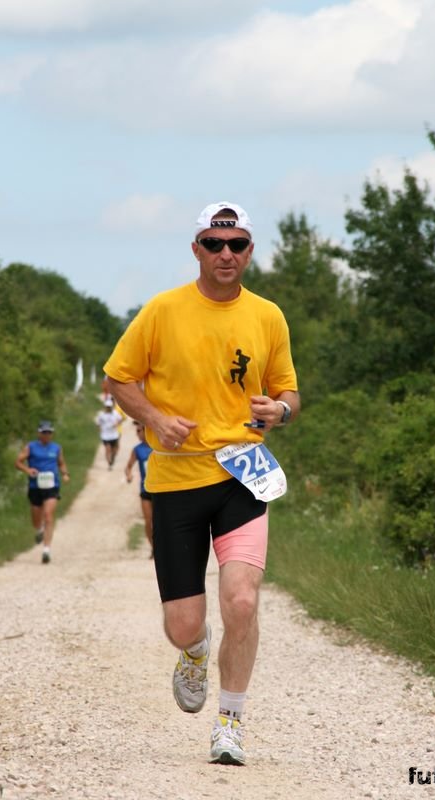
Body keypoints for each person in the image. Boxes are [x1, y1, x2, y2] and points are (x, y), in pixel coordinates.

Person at [103, 201, 299, 766]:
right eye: (214, 244)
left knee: (241, 600)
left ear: (250, 251)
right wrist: (157, 420)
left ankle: (230, 725)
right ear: (196, 249)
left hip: (243, 474)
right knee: (184, 622)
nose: (226, 254)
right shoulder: (162, 311)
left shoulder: (268, 316)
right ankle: (193, 650)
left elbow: (289, 393)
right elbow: (119, 377)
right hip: (175, 480)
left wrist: (280, 412)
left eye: (236, 243)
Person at [14, 420, 70, 564]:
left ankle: (46, 550)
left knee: (48, 515)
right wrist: (28, 470)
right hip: (35, 486)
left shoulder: (56, 448)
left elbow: (61, 462)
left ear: (52, 434)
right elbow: (18, 462)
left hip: (52, 485)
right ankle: (39, 529)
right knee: (36, 517)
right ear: (39, 433)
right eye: (44, 432)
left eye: (49, 432)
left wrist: (64, 473)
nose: (47, 435)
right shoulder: (31, 447)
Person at [125, 421, 154, 558]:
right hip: (145, 489)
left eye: (140, 430)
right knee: (148, 520)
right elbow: (129, 465)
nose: (138, 434)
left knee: (160, 520)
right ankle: (153, 547)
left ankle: (164, 546)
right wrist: (129, 474)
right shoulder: (137, 449)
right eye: (136, 431)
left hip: (160, 490)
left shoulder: (157, 447)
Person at [95, 397, 123, 469]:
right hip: (105, 435)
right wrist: (100, 429)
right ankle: (109, 463)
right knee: (107, 449)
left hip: (114, 435)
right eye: (107, 407)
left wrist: (117, 424)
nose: (108, 408)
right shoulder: (102, 414)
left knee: (114, 450)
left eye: (109, 407)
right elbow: (98, 423)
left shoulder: (115, 413)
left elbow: (120, 419)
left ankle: (112, 458)